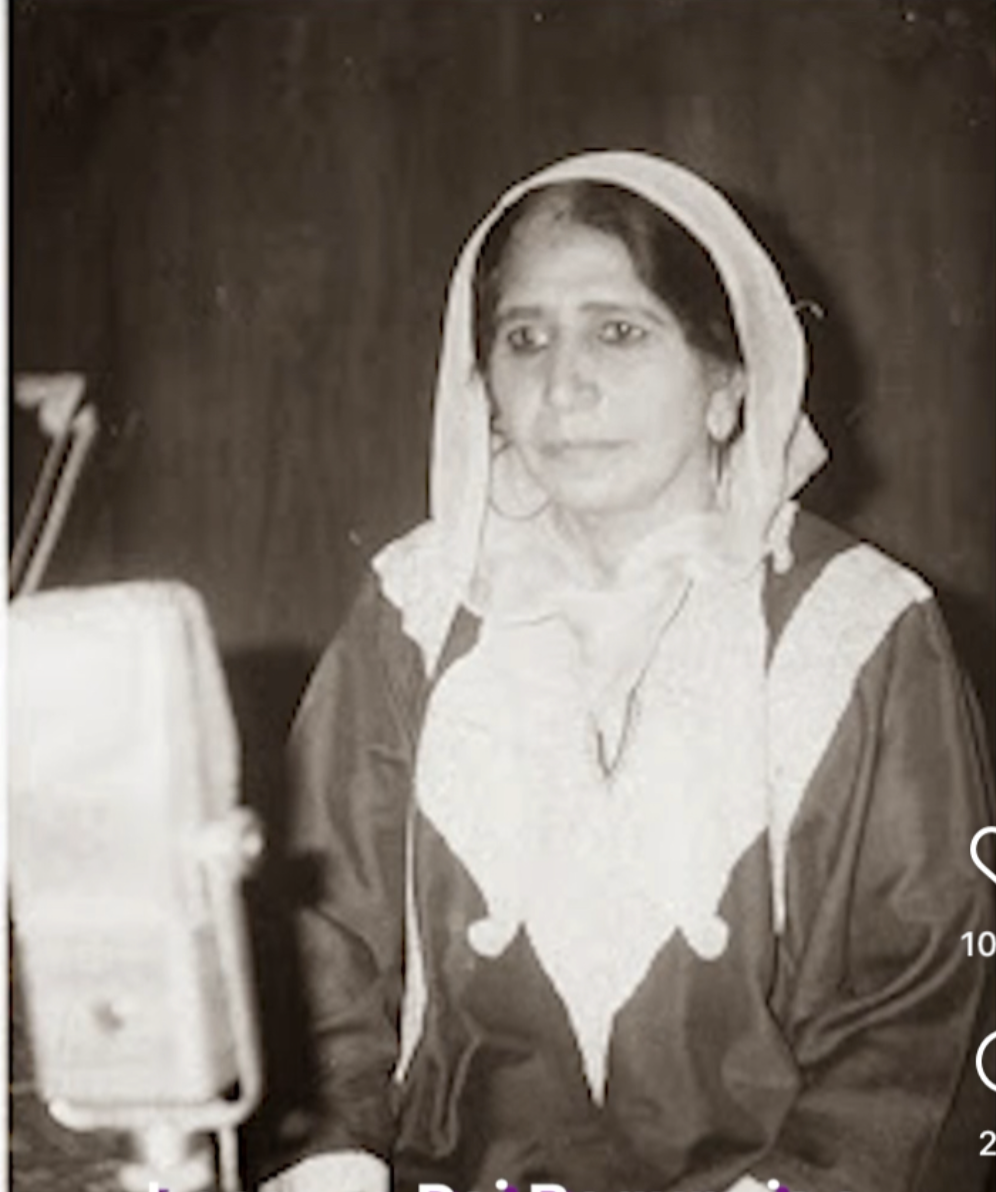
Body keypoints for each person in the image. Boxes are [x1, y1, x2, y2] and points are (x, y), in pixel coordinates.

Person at [262, 152, 995, 1192]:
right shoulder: (413, 611)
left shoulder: (863, 627)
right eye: (525, 338)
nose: (563, 385)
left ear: (726, 384)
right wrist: (333, 1158)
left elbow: (914, 1012)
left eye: (618, 330)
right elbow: (319, 934)